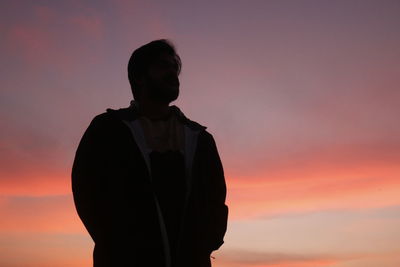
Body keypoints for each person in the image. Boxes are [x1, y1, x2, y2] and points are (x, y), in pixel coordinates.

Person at [71, 39, 228, 267]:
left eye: (175, 67)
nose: (173, 73)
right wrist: (116, 246)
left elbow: (216, 197)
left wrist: (206, 243)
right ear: (139, 77)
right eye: (163, 66)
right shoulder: (107, 129)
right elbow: (86, 191)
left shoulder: (200, 138)